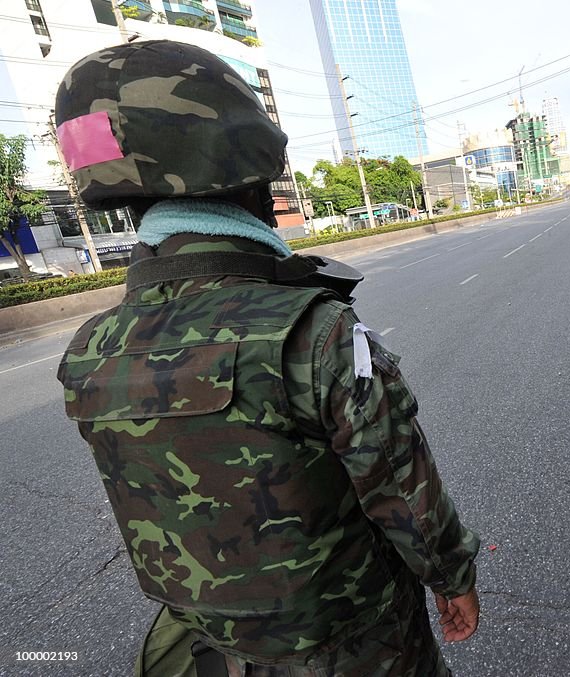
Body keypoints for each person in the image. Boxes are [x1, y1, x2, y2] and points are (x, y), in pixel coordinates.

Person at [55, 40, 479, 677]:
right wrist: (451, 576)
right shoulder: (314, 328)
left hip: (207, 645)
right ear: (244, 154)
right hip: (350, 641)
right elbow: (398, 486)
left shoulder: (91, 347)